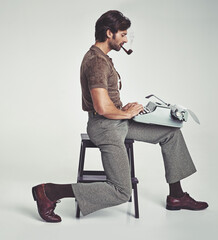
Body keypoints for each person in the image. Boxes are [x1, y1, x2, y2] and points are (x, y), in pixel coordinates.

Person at [32, 10, 208, 223]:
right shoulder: (96, 61)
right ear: (109, 33)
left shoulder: (103, 58)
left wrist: (126, 108)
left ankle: (177, 197)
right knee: (121, 191)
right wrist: (125, 112)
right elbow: (102, 107)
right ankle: (49, 192)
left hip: (117, 121)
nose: (125, 39)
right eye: (123, 34)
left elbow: (108, 102)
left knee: (171, 133)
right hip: (105, 127)